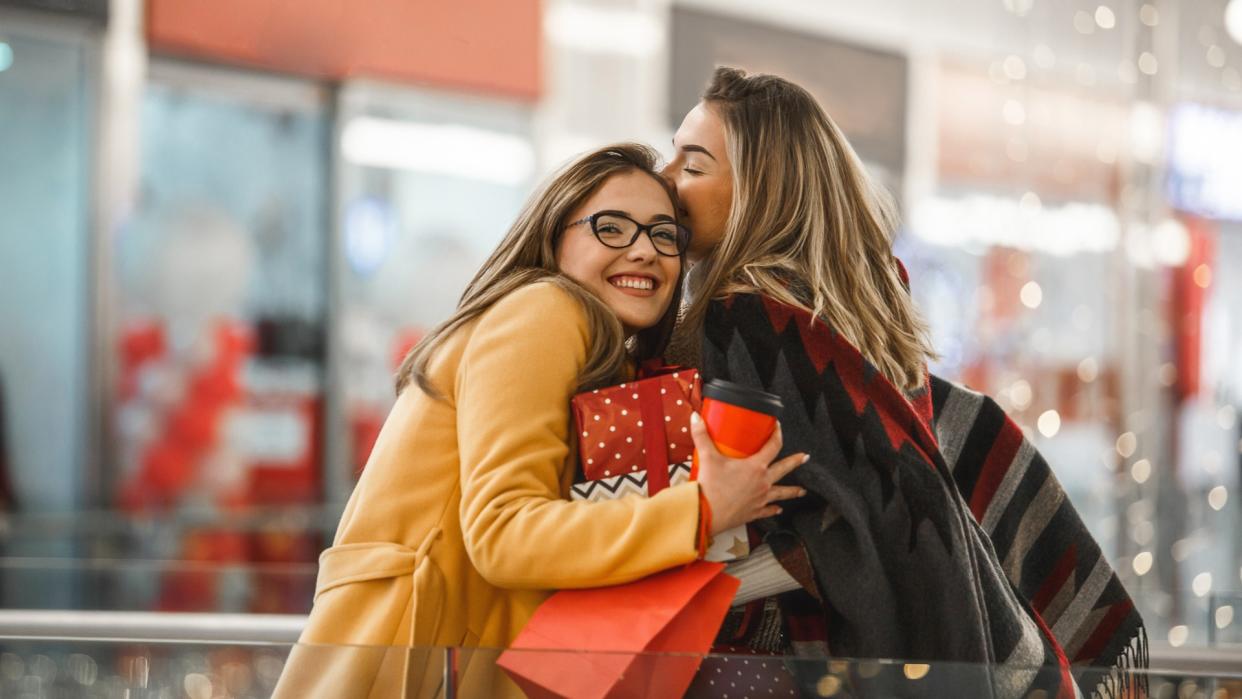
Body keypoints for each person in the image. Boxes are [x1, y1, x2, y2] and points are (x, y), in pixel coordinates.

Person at [663, 67, 1146, 698]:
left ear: (762, 188)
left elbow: (841, 531)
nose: (668, 181)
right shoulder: (841, 319)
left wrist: (698, 590)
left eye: (693, 165)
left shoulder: (753, 321)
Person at [273, 143, 806, 698]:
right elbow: (504, 533)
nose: (644, 250)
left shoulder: (593, 342)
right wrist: (701, 510)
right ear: (554, 237)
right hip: (419, 666)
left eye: (664, 234)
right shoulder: (546, 310)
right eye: (612, 227)